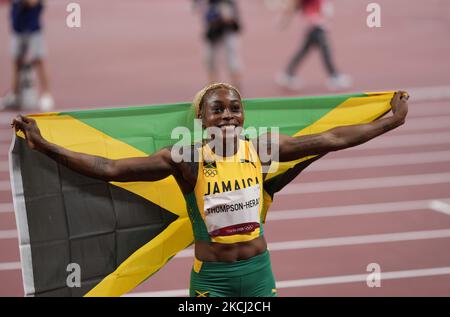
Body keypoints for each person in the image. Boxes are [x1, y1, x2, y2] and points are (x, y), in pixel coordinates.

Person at [12, 83, 409, 297]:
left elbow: (334, 137)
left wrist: (391, 121)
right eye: (217, 109)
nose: (228, 116)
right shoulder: (185, 159)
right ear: (201, 119)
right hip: (211, 282)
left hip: (257, 272)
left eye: (234, 108)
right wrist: (44, 144)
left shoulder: (263, 148)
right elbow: (110, 168)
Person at [276, 0, 352, 91]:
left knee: (304, 51)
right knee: (325, 52)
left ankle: (288, 73)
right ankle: (334, 76)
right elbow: (294, 5)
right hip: (316, 26)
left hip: (315, 26)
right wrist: (285, 20)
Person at [2, 0, 54, 111]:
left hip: (33, 27)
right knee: (16, 61)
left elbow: (32, 3)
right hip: (17, 26)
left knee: (39, 59)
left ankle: (46, 94)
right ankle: (15, 94)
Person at [193, 0, 243, 90]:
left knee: (232, 57)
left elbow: (230, 18)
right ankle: (212, 86)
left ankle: (236, 85)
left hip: (227, 29)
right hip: (212, 30)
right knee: (209, 58)